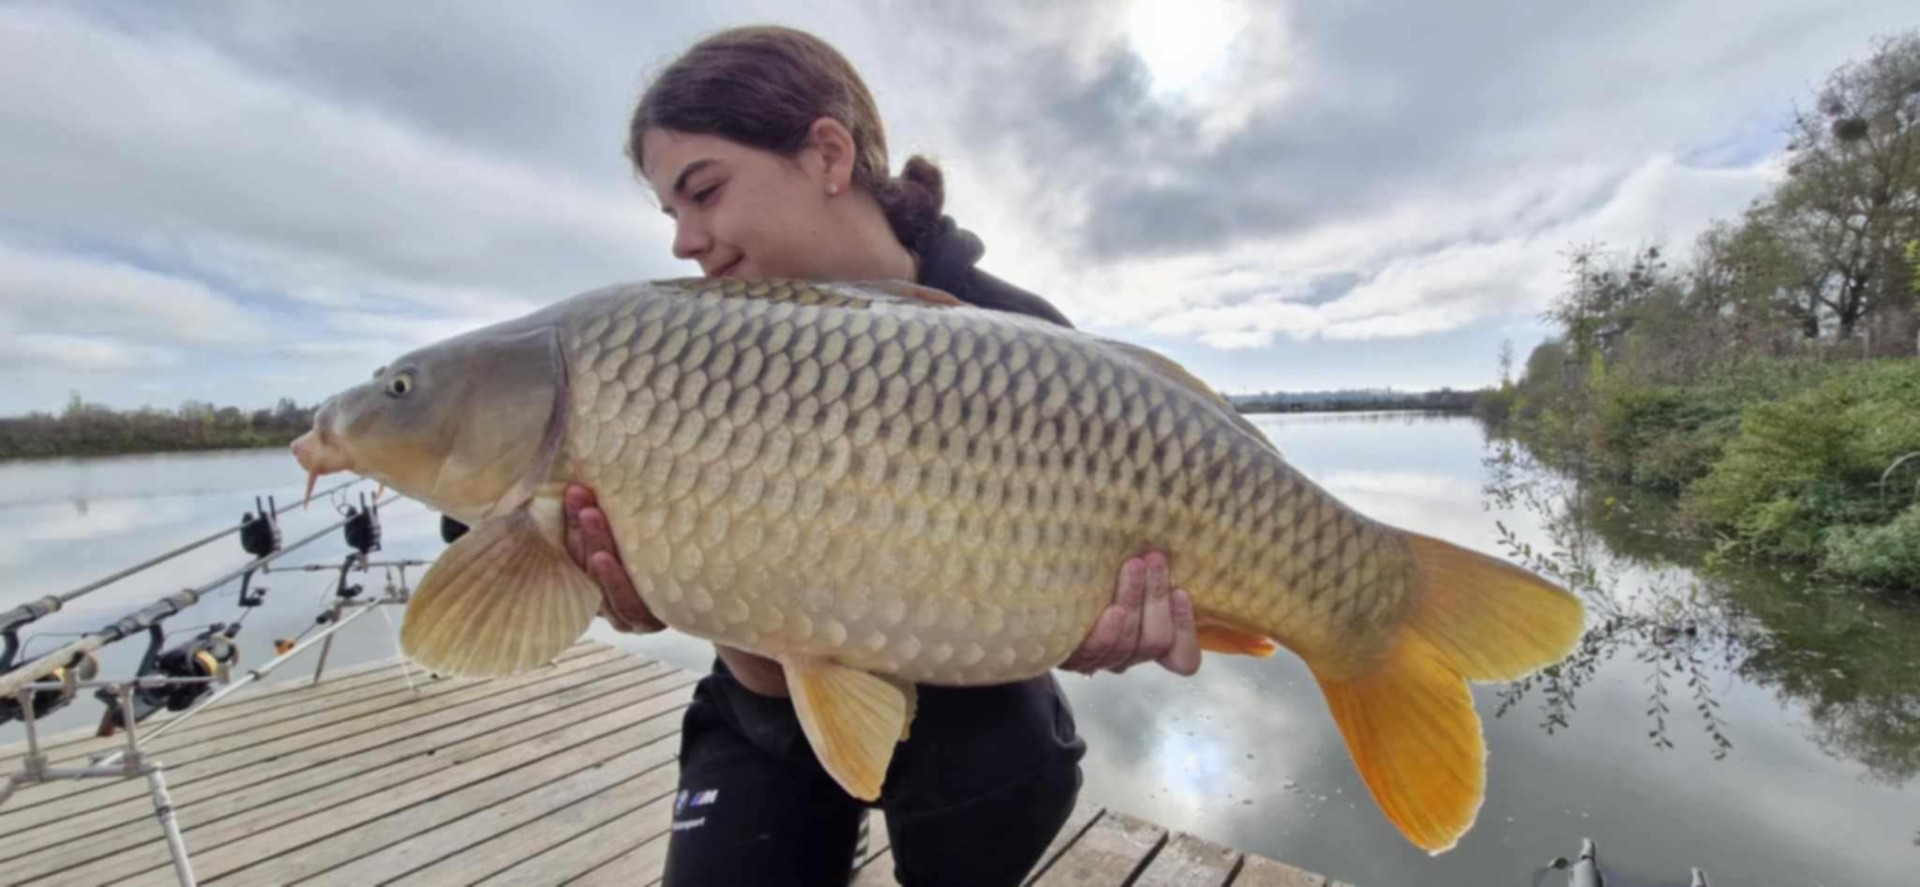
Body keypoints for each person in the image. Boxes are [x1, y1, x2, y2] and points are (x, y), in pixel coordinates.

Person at [563, 25, 1202, 887]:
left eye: (703, 192)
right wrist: (599, 575)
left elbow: (1115, 565)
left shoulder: (1022, 341)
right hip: (764, 700)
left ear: (828, 152)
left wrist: (1098, 619)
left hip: (973, 704)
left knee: (984, 809)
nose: (684, 240)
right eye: (671, 213)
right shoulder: (689, 345)